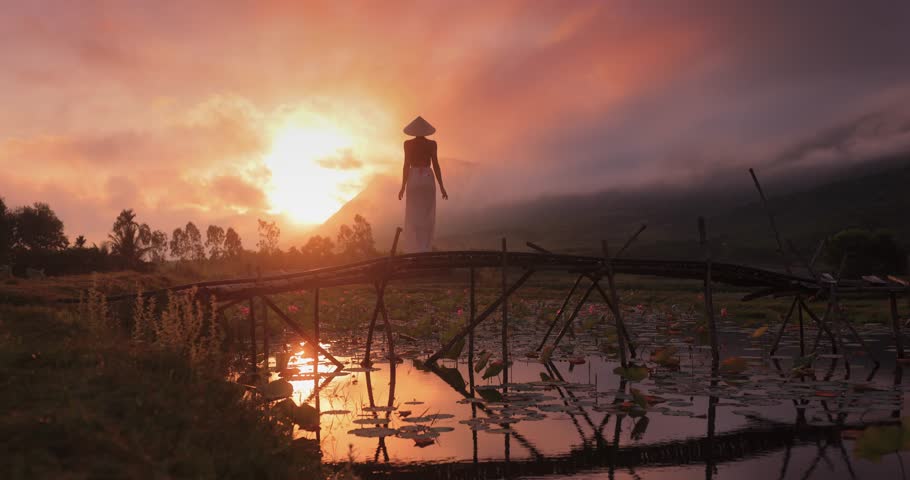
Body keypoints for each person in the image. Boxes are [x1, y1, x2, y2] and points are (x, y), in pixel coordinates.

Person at [398, 116, 447, 253]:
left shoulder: (407, 144)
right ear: (426, 131)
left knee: (413, 214)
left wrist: (402, 187)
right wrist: (442, 187)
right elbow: (436, 165)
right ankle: (425, 247)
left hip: (413, 177)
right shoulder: (432, 144)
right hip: (427, 177)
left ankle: (414, 249)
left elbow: (406, 165)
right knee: (427, 214)